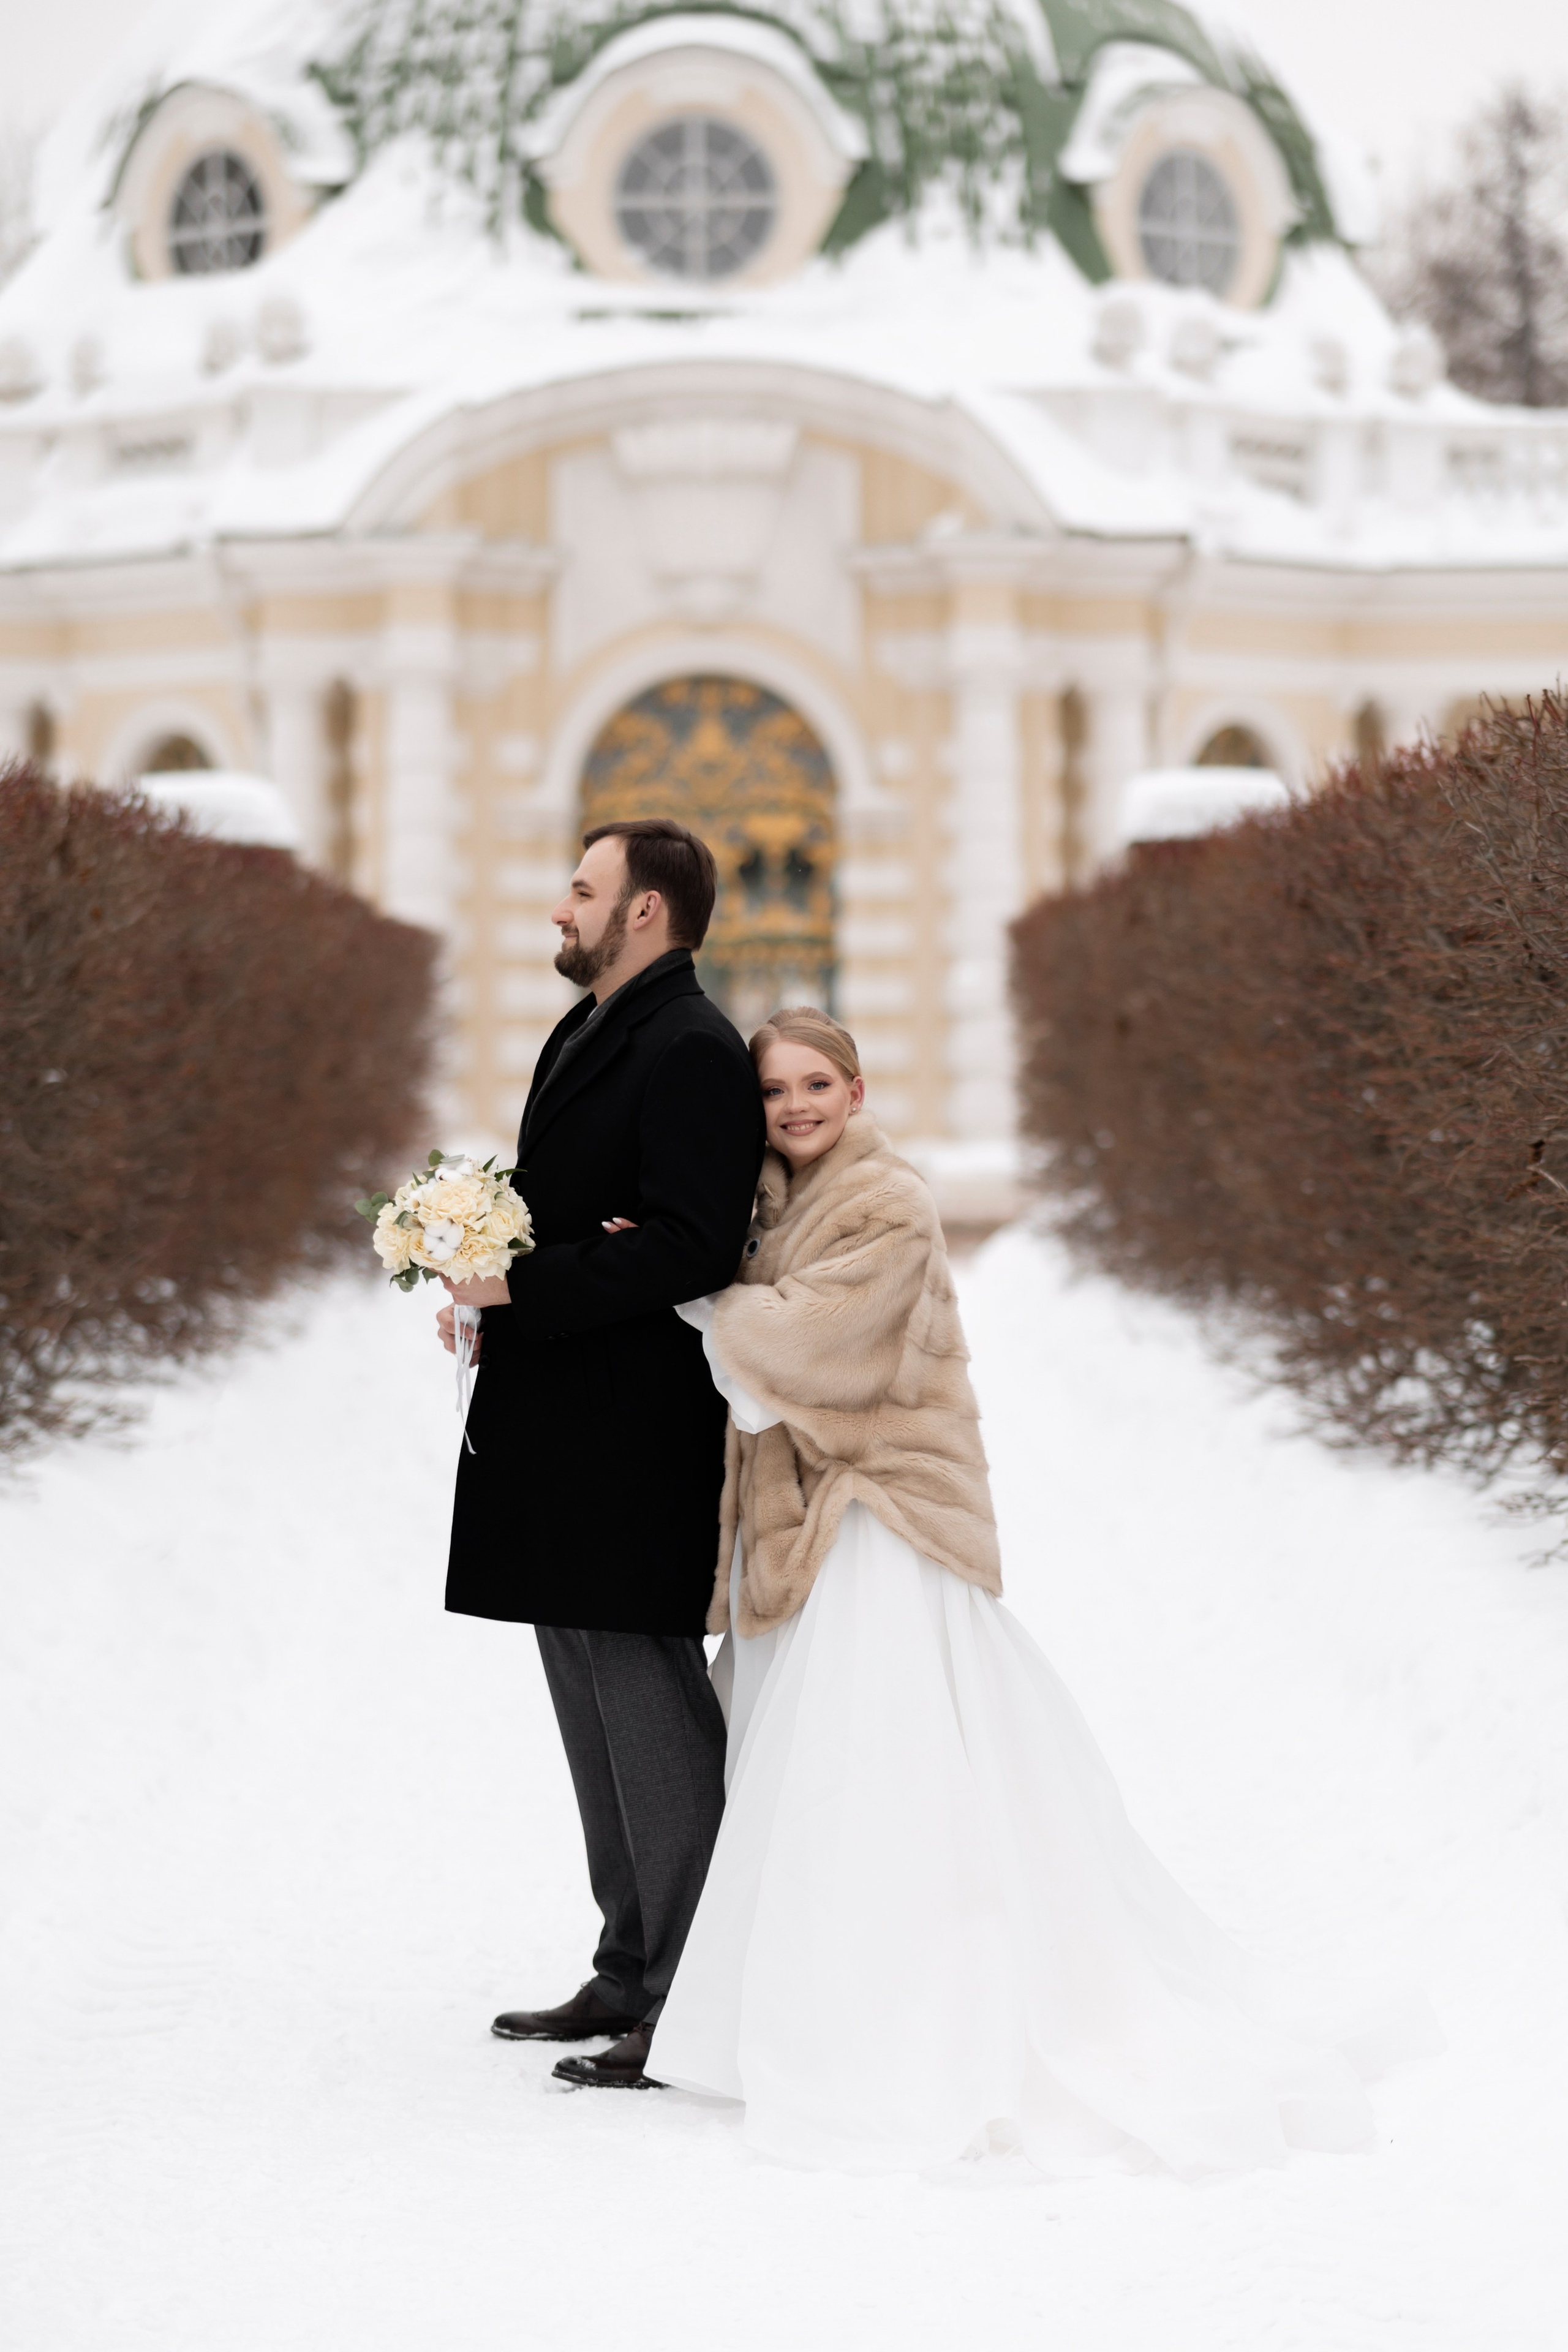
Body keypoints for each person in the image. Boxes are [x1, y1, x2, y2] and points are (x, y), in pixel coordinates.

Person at [647, 1007, 1441, 2174]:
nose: (797, 1107)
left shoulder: (890, 1203)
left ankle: (915, 2018)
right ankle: (823, 1993)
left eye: (819, 1085)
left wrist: (709, 1300)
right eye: (776, 1093)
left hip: (880, 1512)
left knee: (884, 1757)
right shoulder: (773, 1201)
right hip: (805, 1512)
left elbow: (822, 1349)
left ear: (858, 1094)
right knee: (811, 1760)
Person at [438, 818, 764, 2091]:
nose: (559, 909)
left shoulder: (690, 1048)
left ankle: (688, 1988)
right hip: (564, 1417)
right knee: (583, 1689)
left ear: (643, 912)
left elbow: (691, 1245)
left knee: (644, 1695)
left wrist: (521, 1282)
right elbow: (567, 1219)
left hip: (634, 1427)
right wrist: (481, 1281)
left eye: (580, 890)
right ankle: (627, 1962)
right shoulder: (587, 1030)